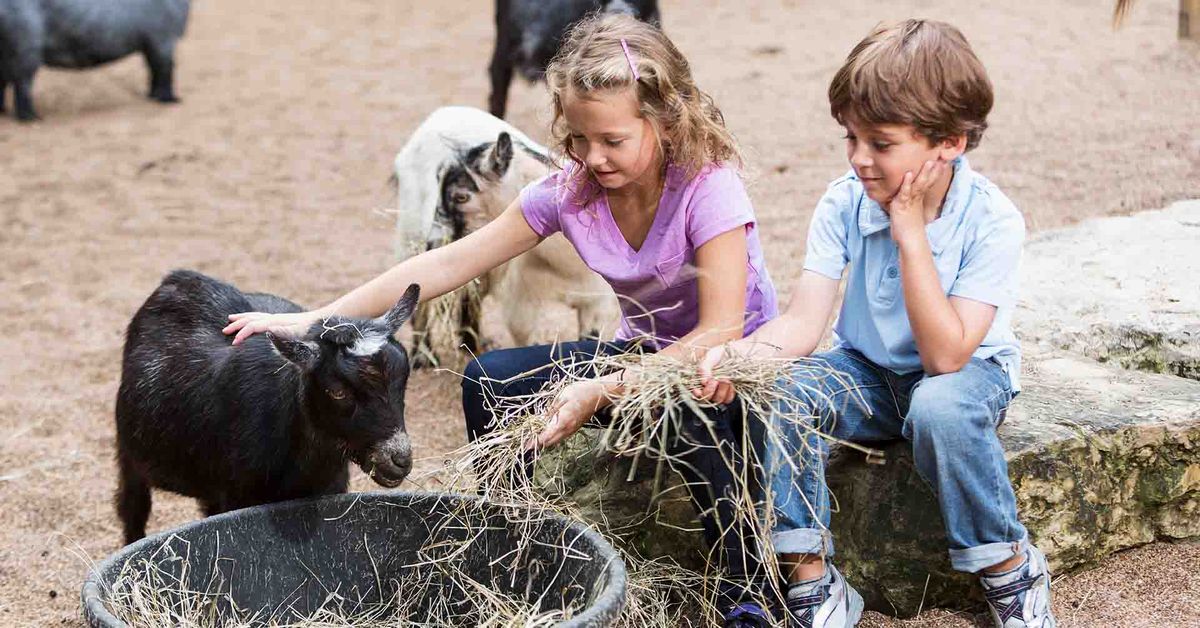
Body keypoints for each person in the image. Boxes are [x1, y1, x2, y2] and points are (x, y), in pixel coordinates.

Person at [225, 13, 780, 627]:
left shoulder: (708, 187)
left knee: (701, 412)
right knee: (489, 380)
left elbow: (721, 332)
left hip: (724, 369)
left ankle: (749, 589)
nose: (592, 157)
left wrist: (599, 391)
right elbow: (444, 264)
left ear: (666, 119)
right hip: (639, 354)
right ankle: (508, 550)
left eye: (613, 141)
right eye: (577, 139)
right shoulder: (574, 190)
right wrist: (311, 320)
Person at [694, 19, 1055, 628]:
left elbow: (947, 357)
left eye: (881, 143)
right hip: (865, 370)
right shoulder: (844, 201)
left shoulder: (991, 220)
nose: (860, 159)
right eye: (851, 139)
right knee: (781, 390)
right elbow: (806, 322)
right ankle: (813, 582)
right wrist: (744, 358)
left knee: (938, 409)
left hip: (965, 376)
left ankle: (1010, 572)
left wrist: (909, 233)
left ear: (950, 142)